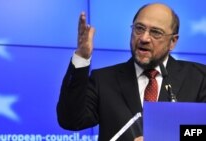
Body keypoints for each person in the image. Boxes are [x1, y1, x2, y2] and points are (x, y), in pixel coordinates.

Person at [57, 3, 206, 141]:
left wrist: (164, 137)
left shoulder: (199, 78)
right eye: (139, 28)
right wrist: (82, 58)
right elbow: (70, 121)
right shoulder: (103, 80)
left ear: (173, 42)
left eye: (156, 32)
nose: (144, 38)